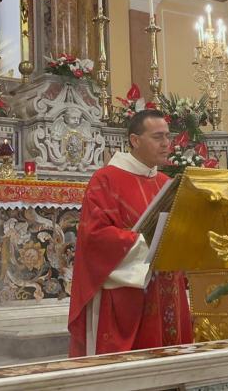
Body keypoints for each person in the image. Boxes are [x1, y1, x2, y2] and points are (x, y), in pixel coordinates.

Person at [68, 110, 193, 356]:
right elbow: (95, 236)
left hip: (168, 290)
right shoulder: (106, 179)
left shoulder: (164, 182)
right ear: (135, 141)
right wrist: (147, 244)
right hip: (127, 296)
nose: (167, 143)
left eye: (168, 136)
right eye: (158, 137)